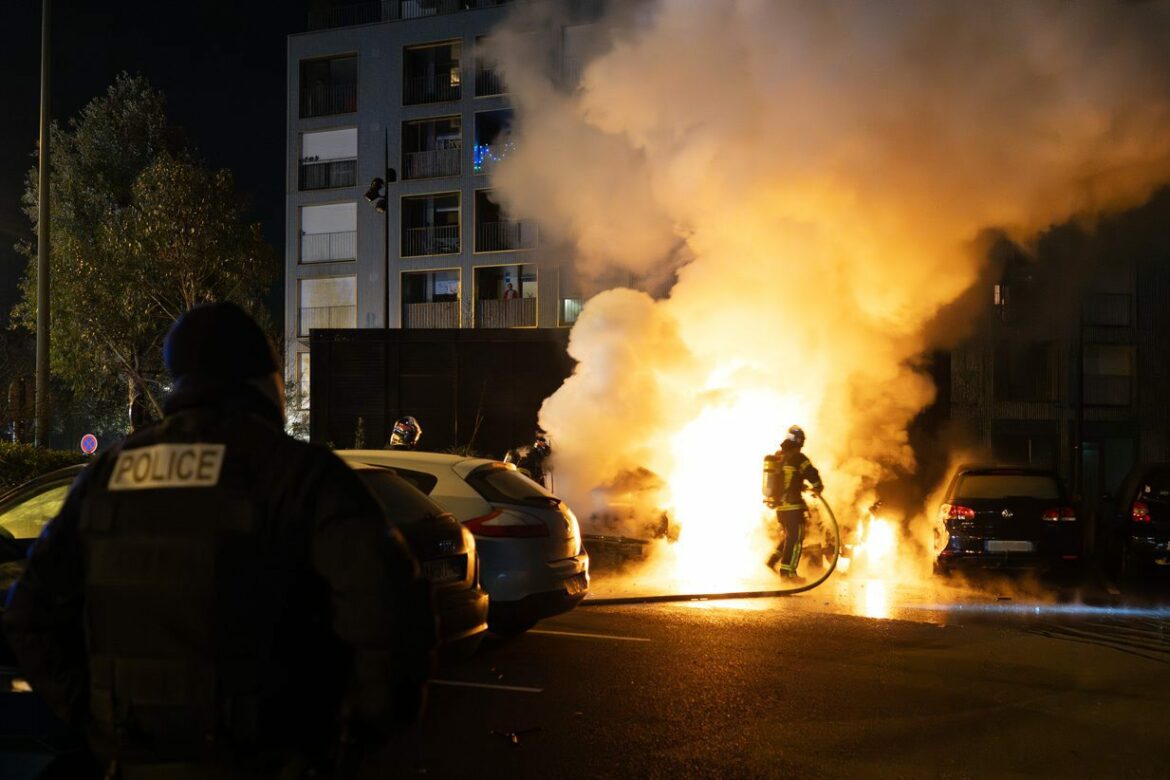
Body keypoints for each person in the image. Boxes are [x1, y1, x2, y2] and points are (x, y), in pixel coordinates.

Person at [4, 302, 435, 779]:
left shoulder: (108, 474)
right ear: (264, 380)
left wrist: (94, 717)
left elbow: (28, 614)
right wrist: (347, 739)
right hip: (267, 761)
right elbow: (392, 611)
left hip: (132, 761)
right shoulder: (299, 474)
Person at [765, 425, 824, 580]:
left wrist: (800, 485)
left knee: (788, 536)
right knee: (796, 539)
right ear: (800, 441)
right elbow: (811, 473)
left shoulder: (781, 457)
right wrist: (818, 487)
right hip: (793, 507)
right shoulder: (798, 458)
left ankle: (772, 561)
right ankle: (788, 573)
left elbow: (788, 480)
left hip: (781, 508)